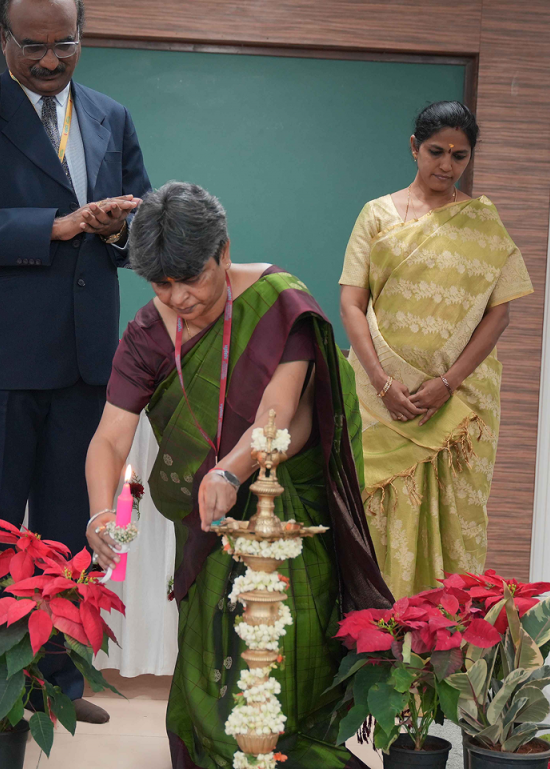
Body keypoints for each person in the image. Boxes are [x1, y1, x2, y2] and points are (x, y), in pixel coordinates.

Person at [86, 182, 392, 769]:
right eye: (160, 285)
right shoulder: (148, 334)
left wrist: (229, 471)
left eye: (191, 279)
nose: (179, 298)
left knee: (286, 657)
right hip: (208, 527)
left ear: (223, 252)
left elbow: (286, 414)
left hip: (287, 514)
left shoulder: (281, 303)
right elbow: (109, 437)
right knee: (213, 666)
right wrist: (102, 510)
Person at [0, 0, 150, 723]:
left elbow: (141, 223)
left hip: (87, 360)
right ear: (4, 40)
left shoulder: (111, 115)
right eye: (34, 46)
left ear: (83, 37)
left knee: (70, 529)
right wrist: (57, 226)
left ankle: (57, 686)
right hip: (0, 361)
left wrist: (116, 229)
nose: (51, 60)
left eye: (64, 44)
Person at [338, 101, 534, 599]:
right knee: (375, 510)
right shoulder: (377, 215)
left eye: (459, 155)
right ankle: (374, 628)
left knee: (452, 519)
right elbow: (351, 303)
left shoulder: (482, 223)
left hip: (456, 399)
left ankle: (442, 634)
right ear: (414, 147)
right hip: (379, 398)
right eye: (436, 152)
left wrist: (447, 383)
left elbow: (499, 314)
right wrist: (382, 381)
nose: (446, 165)